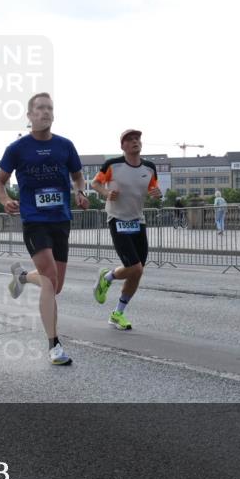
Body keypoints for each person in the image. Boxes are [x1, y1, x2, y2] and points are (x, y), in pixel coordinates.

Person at [0, 92, 89, 366]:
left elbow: (78, 176)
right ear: (29, 115)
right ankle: (54, 345)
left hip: (61, 219)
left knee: (55, 286)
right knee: (49, 278)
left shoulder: (65, 146)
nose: (45, 112)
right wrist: (5, 201)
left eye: (49, 108)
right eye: (40, 108)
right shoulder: (17, 148)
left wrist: (81, 193)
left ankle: (22, 277)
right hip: (34, 220)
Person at [90, 129, 162, 330]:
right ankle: (106, 278)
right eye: (129, 140)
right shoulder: (112, 165)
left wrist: (156, 193)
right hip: (117, 219)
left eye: (137, 138)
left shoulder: (149, 167)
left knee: (137, 272)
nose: (134, 142)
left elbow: (152, 188)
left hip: (138, 221)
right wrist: (106, 192)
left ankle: (117, 313)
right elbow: (95, 183)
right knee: (135, 267)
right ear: (122, 146)